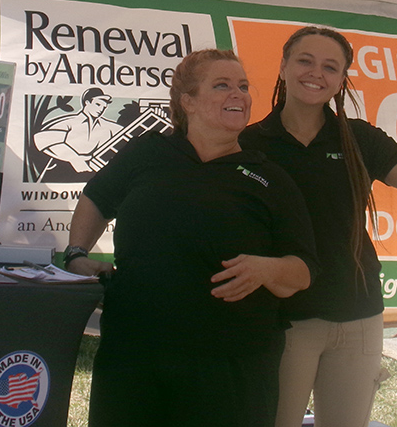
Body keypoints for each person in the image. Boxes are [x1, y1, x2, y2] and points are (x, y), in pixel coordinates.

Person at [64, 49, 318, 427]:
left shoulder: (269, 178)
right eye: (222, 85)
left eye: (243, 87)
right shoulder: (148, 153)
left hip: (231, 369)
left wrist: (266, 269)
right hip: (133, 357)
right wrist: (75, 253)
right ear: (188, 102)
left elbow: (302, 272)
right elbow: (96, 198)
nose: (239, 95)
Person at [239, 26, 397, 427]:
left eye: (331, 67)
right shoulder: (249, 143)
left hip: (358, 316)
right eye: (305, 61)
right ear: (284, 66)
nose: (316, 73)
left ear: (342, 79)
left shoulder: (357, 137)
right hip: (283, 322)